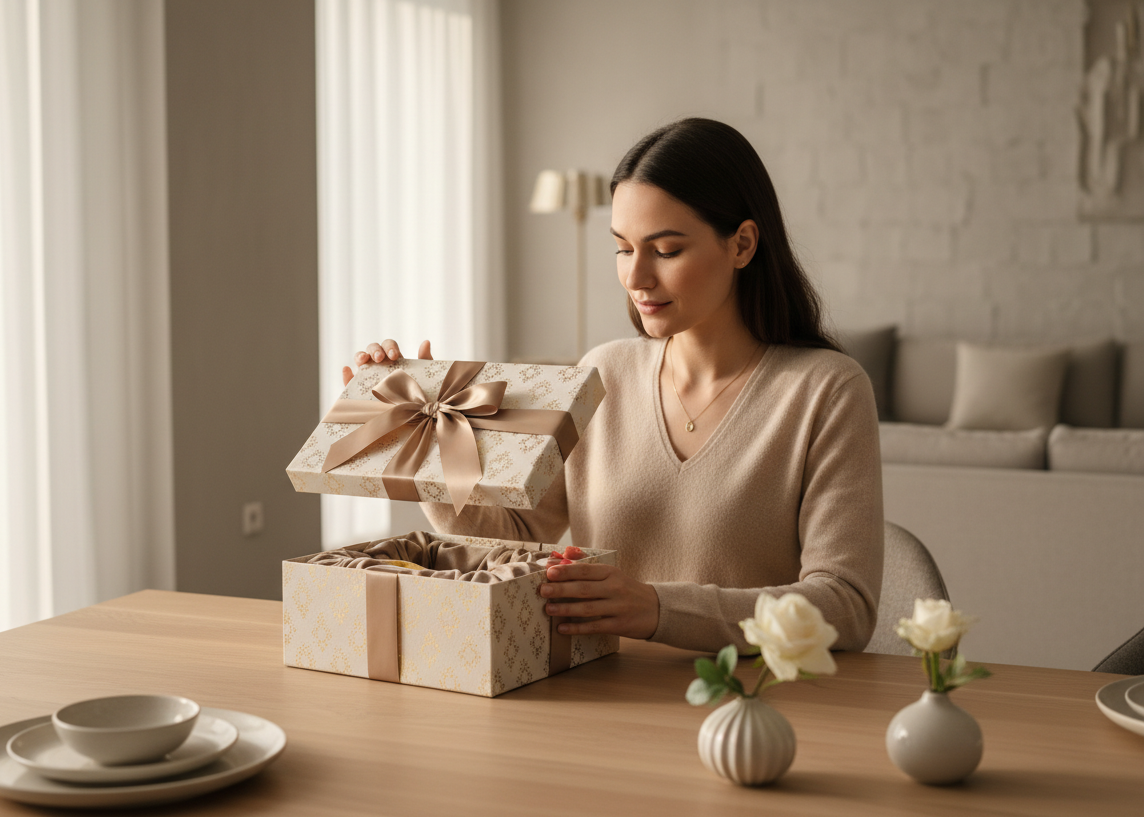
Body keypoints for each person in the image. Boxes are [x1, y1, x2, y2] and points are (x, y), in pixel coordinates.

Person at [343, 118, 883, 654]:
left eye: (666, 250)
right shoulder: (603, 373)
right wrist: (420, 443)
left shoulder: (826, 392)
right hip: (597, 690)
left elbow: (846, 606)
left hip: (748, 714)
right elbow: (516, 533)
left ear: (741, 245)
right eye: (623, 248)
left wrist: (657, 609)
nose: (636, 277)